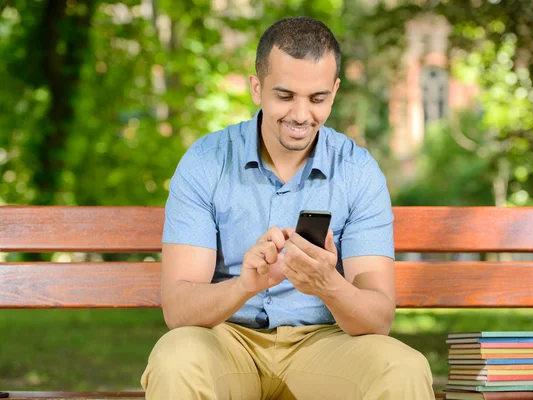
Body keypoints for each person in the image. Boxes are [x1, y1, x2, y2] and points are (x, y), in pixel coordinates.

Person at [141, 16, 435, 400]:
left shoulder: (358, 171)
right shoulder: (206, 161)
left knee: (404, 369)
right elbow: (178, 311)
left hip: (325, 346)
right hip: (226, 341)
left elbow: (377, 317)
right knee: (174, 360)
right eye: (285, 96)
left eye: (317, 99)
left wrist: (328, 284)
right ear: (256, 87)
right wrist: (246, 284)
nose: (300, 115)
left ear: (335, 90)